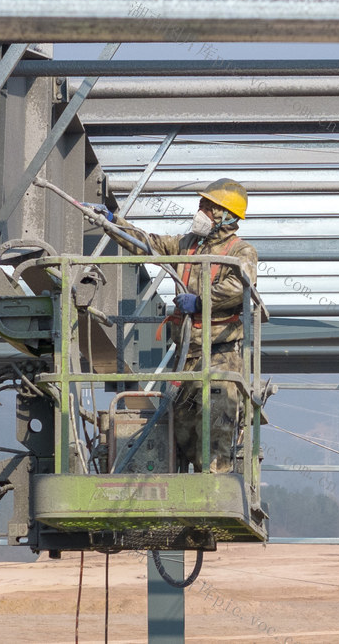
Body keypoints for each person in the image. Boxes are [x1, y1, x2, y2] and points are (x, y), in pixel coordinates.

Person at [100, 178, 258, 473]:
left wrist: (200, 302)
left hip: (221, 352)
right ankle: (190, 480)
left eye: (207, 207)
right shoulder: (188, 245)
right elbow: (148, 244)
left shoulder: (241, 252)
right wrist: (111, 223)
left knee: (218, 416)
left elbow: (240, 285)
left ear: (225, 215)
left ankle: (217, 481)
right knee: (182, 421)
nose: (200, 211)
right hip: (187, 353)